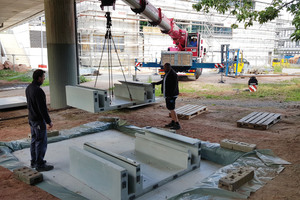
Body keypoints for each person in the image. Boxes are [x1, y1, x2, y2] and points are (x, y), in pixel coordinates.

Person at [25, 69, 54, 172]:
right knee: (41, 142)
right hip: (38, 120)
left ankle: (34, 161)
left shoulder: (29, 88)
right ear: (39, 78)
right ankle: (40, 164)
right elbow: (42, 109)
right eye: (43, 77)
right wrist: (49, 121)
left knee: (34, 140)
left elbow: (31, 104)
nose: (44, 79)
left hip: (31, 118)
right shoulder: (38, 90)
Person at [152, 63, 181, 130]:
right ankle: (173, 121)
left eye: (165, 68)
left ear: (168, 67)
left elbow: (174, 86)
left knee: (172, 109)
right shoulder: (168, 73)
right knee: (170, 108)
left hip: (171, 95)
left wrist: (170, 96)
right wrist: (156, 83)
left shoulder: (173, 74)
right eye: (164, 67)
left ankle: (177, 124)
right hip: (168, 95)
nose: (164, 69)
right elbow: (164, 81)